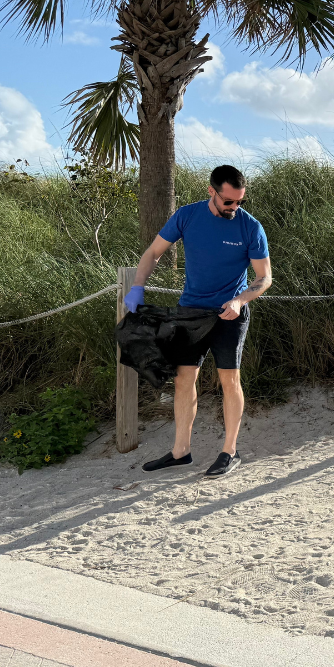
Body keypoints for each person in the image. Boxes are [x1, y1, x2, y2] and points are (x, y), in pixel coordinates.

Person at [123, 165, 272, 478]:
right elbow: (153, 252)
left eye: (240, 202)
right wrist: (138, 285)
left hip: (229, 315)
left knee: (229, 380)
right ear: (211, 191)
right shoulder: (187, 216)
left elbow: (264, 278)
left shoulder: (250, 227)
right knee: (183, 378)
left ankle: (230, 451)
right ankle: (181, 452)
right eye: (228, 201)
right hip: (190, 311)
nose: (234, 207)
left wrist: (240, 300)